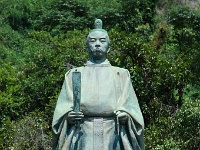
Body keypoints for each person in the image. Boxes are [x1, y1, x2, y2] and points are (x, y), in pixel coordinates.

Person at [52, 19, 145, 150]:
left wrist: (126, 116)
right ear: (86, 46)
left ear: (109, 47)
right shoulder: (73, 74)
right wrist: (68, 117)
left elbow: (132, 108)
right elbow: (62, 108)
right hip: (82, 132)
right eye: (92, 40)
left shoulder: (121, 74)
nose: (97, 44)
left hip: (113, 132)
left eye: (102, 41)